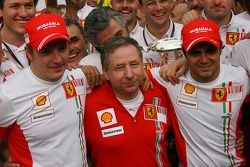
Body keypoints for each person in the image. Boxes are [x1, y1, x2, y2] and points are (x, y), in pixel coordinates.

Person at [0, 13, 101, 166]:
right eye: (46, 52)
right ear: (29, 53)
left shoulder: (82, 77)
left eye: (62, 49)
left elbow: (123, 79)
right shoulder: (8, 94)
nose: (58, 59)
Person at [151, 19, 250, 166]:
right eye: (195, 53)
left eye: (210, 51)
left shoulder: (241, 78)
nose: (204, 59)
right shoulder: (170, 78)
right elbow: (131, 75)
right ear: (184, 53)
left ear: (221, 50)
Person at [84, 36, 174, 167]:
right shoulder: (88, 104)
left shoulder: (161, 93)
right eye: (120, 67)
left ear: (143, 65)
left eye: (134, 64)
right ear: (106, 72)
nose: (129, 74)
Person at [81, 7, 129, 73]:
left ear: (126, 28)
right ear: (98, 47)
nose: (117, 43)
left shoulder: (146, 54)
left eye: (119, 35)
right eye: (109, 43)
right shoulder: (88, 66)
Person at [0, 0, 36, 83]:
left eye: (29, 6)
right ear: (1, 10)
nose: (23, 14)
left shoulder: (48, 39)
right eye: (14, 6)